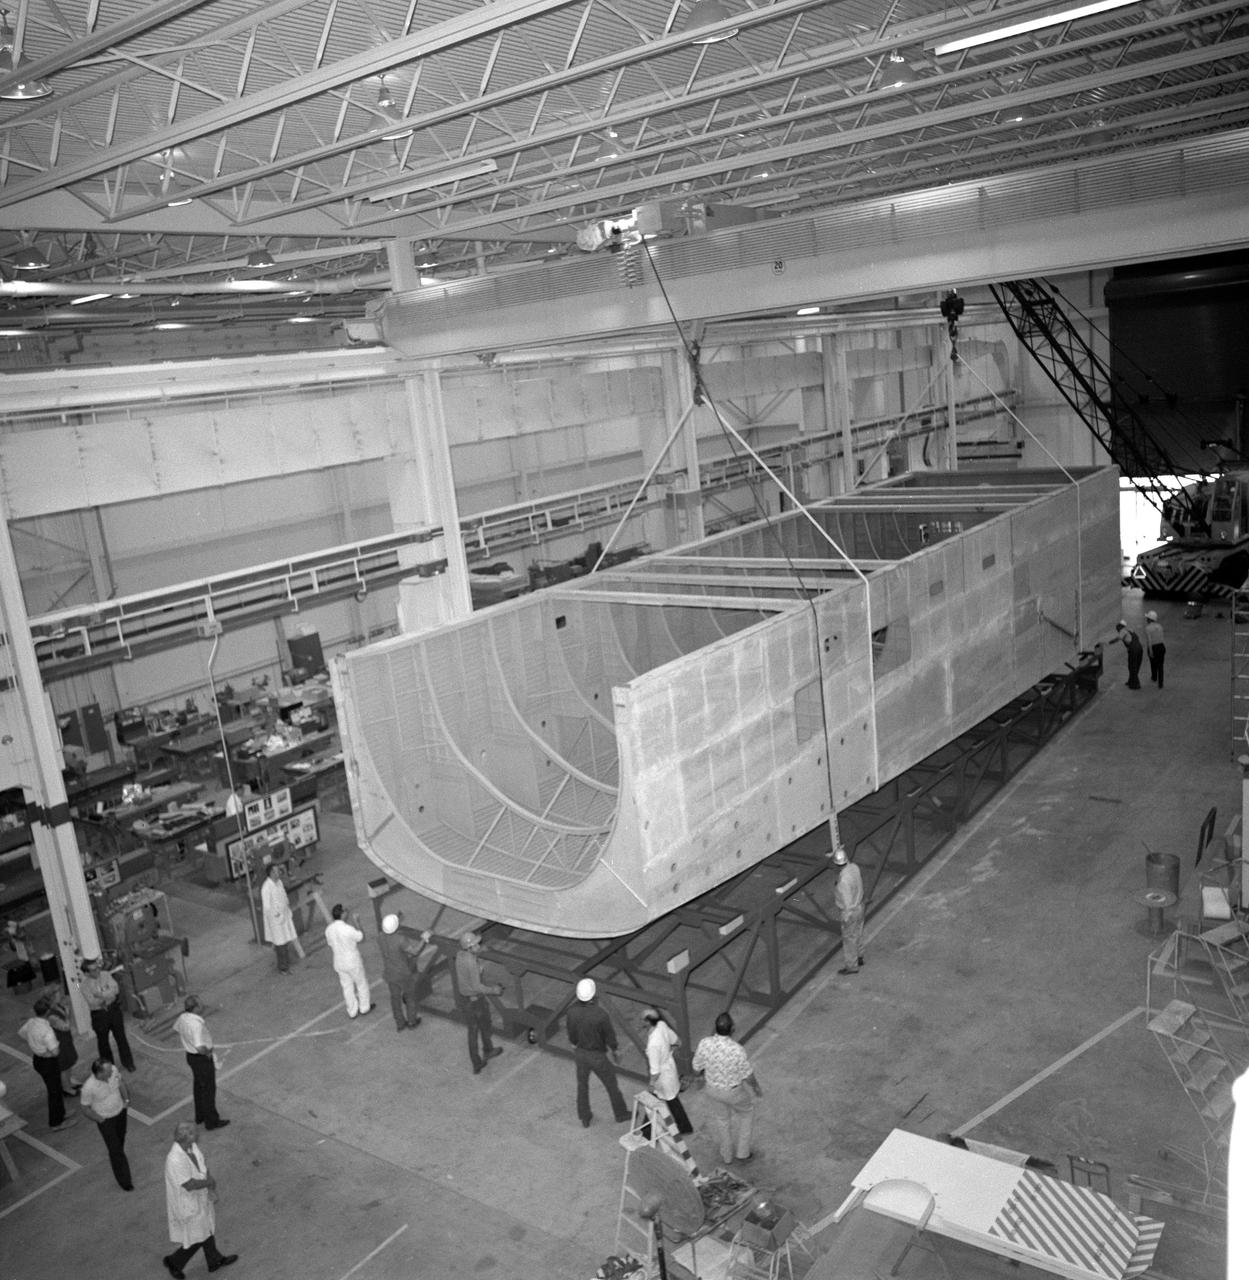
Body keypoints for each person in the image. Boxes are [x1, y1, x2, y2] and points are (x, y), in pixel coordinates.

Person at [163, 1120, 239, 1278]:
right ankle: (174, 1261)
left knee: (206, 1229)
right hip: (188, 1202)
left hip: (199, 1197)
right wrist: (208, 1183)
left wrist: (209, 1183)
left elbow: (202, 1165)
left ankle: (214, 1260)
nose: (197, 1135)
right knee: (198, 1235)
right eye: (194, 1134)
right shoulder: (175, 1160)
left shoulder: (191, 1147)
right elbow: (189, 1184)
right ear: (186, 1137)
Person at [691, 1011, 762, 1165]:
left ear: (715, 1027)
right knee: (747, 1114)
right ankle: (743, 1153)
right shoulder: (737, 1049)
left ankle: (727, 1155)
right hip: (733, 1092)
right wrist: (756, 1087)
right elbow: (747, 1075)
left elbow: (696, 1067)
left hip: (712, 1090)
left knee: (722, 1120)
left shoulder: (704, 1043)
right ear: (733, 1029)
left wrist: (701, 1077)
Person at [565, 978, 631, 1128]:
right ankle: (621, 1114)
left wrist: (575, 1044)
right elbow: (609, 1036)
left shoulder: (571, 1011)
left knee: (582, 1086)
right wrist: (614, 1049)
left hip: (580, 1054)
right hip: (597, 1056)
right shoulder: (600, 1014)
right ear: (593, 994)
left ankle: (585, 1117)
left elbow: (571, 1033)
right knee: (611, 1085)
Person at [18, 995, 77, 1131]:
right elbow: (55, 1052)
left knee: (55, 1088)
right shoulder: (47, 1030)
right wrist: (46, 1052)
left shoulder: (31, 1022)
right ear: (47, 1012)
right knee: (54, 1092)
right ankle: (56, 1123)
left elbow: (22, 1033)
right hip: (48, 1063)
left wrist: (35, 1045)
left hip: (38, 1059)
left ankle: (61, 1113)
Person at [173, 996, 229, 1131]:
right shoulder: (196, 1024)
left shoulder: (182, 1018)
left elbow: (177, 1028)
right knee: (208, 1090)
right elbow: (199, 1046)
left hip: (191, 1057)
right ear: (195, 1007)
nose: (202, 1005)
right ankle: (212, 1121)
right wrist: (207, 1053)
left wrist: (188, 1039)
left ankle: (200, 1116)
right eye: (200, 1003)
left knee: (198, 1087)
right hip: (201, 1059)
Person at [80, 1056, 133, 1190]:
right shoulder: (89, 1088)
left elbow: (121, 1083)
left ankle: (118, 1157)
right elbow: (85, 1108)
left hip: (120, 1112)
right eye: (108, 1071)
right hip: (106, 1120)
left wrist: (126, 1101)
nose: (111, 1071)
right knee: (115, 1150)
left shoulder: (113, 1070)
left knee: (120, 1140)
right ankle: (125, 1181)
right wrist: (100, 1119)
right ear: (99, 1073)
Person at [454, 932, 503, 1075]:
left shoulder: (460, 955)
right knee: (484, 1025)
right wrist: (493, 990)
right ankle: (487, 1051)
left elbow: (470, 955)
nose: (478, 946)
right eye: (476, 945)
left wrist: (480, 951)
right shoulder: (471, 963)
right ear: (469, 948)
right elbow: (476, 986)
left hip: (465, 999)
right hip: (475, 1001)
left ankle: (478, 1061)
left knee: (473, 1030)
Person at [79, 954, 137, 1072]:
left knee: (121, 1038)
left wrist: (100, 994)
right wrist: (107, 994)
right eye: (93, 970)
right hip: (99, 1015)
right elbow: (92, 1001)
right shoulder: (84, 986)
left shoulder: (105, 975)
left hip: (113, 1010)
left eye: (97, 967)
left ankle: (128, 1063)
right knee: (103, 1043)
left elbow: (116, 990)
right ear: (86, 973)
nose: (97, 971)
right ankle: (109, 1068)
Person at [642, 1007, 693, 1136]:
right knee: (671, 1100)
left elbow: (655, 1071)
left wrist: (651, 1084)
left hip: (662, 1077)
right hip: (670, 1069)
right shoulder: (662, 1025)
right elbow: (677, 1042)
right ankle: (685, 1127)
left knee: (655, 1100)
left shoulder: (653, 1045)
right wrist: (668, 1051)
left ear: (647, 1022)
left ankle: (647, 1132)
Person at [378, 914, 432, 1033]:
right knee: (410, 997)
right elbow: (414, 951)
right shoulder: (400, 939)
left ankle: (400, 1023)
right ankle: (412, 1021)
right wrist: (424, 938)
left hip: (390, 973)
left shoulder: (380, 937)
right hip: (403, 974)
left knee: (395, 999)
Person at [324, 903, 372, 1017]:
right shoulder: (347, 929)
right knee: (361, 983)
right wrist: (357, 922)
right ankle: (364, 1007)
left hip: (339, 962)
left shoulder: (329, 929)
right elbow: (361, 938)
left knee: (347, 987)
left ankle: (352, 1011)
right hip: (352, 961)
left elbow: (330, 944)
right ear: (342, 914)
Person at [260, 862, 297, 974]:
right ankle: (283, 967)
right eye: (276, 871)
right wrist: (276, 915)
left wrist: (286, 907)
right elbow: (267, 907)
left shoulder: (279, 882)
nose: (278, 873)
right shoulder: (266, 888)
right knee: (280, 942)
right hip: (276, 920)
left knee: (285, 940)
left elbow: (284, 895)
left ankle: (286, 962)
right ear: (271, 873)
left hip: (284, 916)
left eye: (278, 871)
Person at [834, 847, 865, 975]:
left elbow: (847, 903)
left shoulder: (843, 881)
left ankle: (852, 966)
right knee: (858, 932)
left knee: (849, 938)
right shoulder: (854, 867)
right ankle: (859, 956)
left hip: (851, 911)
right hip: (860, 905)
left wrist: (846, 917)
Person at [45, 989, 81, 1096]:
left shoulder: (58, 1006)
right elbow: (65, 1027)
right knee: (64, 1065)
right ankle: (66, 1088)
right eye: (58, 994)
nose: (60, 995)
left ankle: (69, 1082)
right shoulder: (51, 1015)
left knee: (69, 1062)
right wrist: (68, 1015)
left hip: (66, 1039)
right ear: (52, 998)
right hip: (60, 1041)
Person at [1114, 620, 1143, 690]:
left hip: (1133, 650)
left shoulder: (1122, 631)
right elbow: (1136, 638)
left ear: (1120, 626)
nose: (1117, 630)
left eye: (1117, 628)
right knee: (1135, 666)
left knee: (1132, 667)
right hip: (1140, 648)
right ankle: (1131, 681)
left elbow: (1118, 638)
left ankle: (1136, 684)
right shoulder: (1130, 630)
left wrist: (1109, 642)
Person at [1145, 610, 1166, 688]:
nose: (1146, 619)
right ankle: (1160, 683)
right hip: (1161, 646)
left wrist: (1150, 651)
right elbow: (1162, 637)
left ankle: (1154, 677)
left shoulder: (1148, 628)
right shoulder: (1160, 626)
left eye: (1147, 618)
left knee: (1153, 663)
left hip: (1154, 647)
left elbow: (1149, 640)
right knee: (1160, 665)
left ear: (1149, 619)